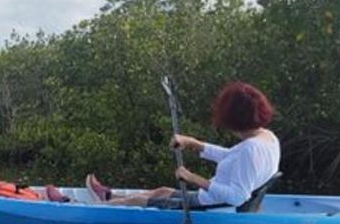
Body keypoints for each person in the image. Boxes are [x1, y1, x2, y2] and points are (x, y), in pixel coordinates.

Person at [52, 81, 280, 208]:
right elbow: (230, 156)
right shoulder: (266, 138)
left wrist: (193, 179)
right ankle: (109, 199)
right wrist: (193, 143)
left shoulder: (251, 149)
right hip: (212, 201)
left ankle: (91, 210)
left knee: (146, 200)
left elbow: (238, 197)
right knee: (162, 191)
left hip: (211, 207)